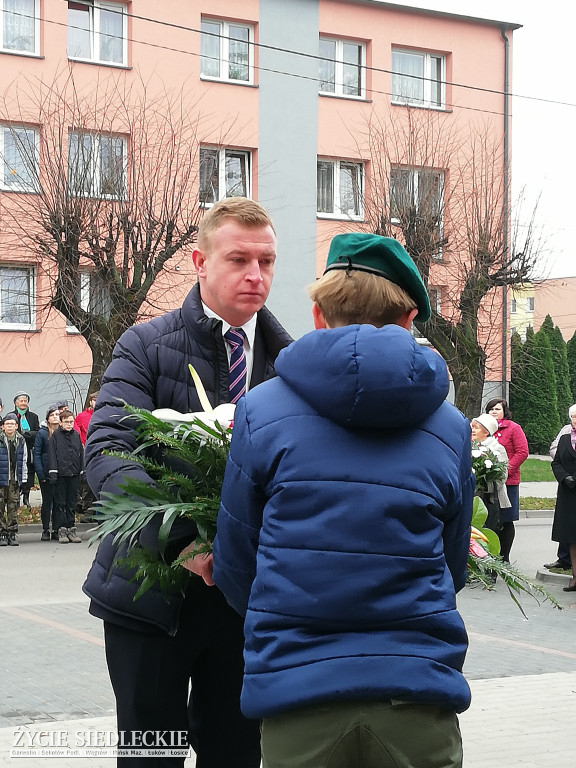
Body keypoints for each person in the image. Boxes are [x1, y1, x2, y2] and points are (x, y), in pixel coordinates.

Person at [212, 233, 474, 768]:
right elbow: (452, 564)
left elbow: (237, 560)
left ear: (316, 313)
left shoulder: (260, 410)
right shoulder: (449, 426)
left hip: (298, 694)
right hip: (416, 696)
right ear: (407, 321)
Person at [82, 197, 292, 767]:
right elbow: (106, 452)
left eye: (267, 261)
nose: (256, 274)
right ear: (200, 261)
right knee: (153, 756)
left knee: (237, 754)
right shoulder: (146, 346)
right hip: (152, 599)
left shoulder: (292, 362)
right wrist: (183, 539)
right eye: (239, 259)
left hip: (243, 607)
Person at [485, 398, 529, 561]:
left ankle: (505, 557)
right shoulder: (484, 428)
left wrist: (505, 470)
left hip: (507, 482)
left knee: (506, 519)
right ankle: (489, 557)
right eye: (491, 409)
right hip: (487, 484)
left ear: (505, 411)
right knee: (489, 520)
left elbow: (522, 452)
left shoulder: (513, 428)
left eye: (497, 409)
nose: (494, 412)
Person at [470, 413, 511, 537]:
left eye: (476, 427)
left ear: (486, 431)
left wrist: (482, 479)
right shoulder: (467, 446)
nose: (472, 430)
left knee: (486, 534)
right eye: (472, 427)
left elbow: (502, 477)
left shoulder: (497, 449)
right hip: (468, 498)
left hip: (488, 500)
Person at [47, 410, 83, 544]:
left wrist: (81, 471)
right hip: (60, 474)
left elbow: (81, 454)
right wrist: (53, 473)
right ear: (61, 423)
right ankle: (61, 530)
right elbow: (52, 455)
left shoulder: (76, 435)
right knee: (60, 503)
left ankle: (71, 529)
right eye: (66, 422)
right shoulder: (55, 436)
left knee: (71, 502)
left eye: (71, 422)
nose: (69, 424)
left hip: (73, 473)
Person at [551, 404, 576, 592]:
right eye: (573, 417)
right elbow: (556, 461)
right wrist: (564, 477)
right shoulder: (565, 439)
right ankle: (575, 576)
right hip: (569, 494)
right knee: (571, 536)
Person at [545, 412, 575, 571]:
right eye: (574, 416)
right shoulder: (565, 434)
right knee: (568, 529)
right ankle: (567, 564)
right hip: (567, 488)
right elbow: (555, 455)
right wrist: (565, 476)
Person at [0, 412, 28, 546]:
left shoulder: (21, 440)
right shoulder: (0, 439)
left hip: (14, 478)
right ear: (3, 426)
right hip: (1, 477)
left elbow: (24, 459)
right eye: (7, 424)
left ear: (16, 426)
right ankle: (1, 533)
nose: (10, 426)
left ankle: (12, 532)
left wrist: (23, 478)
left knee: (13, 506)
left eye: (12, 424)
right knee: (0, 506)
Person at [34, 407, 61, 541]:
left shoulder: (63, 432)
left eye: (57, 414)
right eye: (53, 415)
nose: (55, 417)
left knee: (58, 502)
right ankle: (45, 529)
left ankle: (56, 529)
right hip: (46, 472)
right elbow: (37, 454)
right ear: (48, 418)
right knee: (47, 502)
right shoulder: (43, 433)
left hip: (61, 473)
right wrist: (40, 474)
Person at [74, 392, 98, 519]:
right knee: (87, 481)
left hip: (102, 452)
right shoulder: (82, 416)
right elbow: (75, 431)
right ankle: (87, 510)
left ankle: (95, 509)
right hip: (86, 452)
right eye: (94, 399)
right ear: (90, 402)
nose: (96, 402)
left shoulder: (105, 414)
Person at [13, 391, 39, 507]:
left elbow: (37, 431)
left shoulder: (33, 416)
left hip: (30, 449)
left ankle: (26, 497)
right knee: (17, 470)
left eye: (25, 401)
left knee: (29, 472)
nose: (23, 403)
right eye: (21, 401)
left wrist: (26, 434)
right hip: (16, 448)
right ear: (16, 403)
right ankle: (16, 495)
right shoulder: (11, 416)